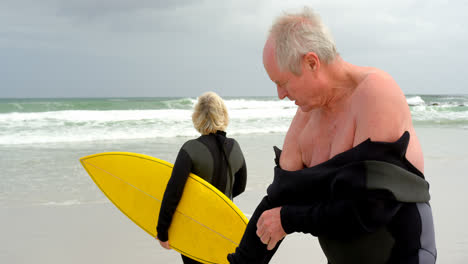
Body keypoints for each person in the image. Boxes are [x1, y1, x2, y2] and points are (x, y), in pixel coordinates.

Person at [227, 7, 436, 264]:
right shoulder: (304, 119)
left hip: (405, 254)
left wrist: (289, 219)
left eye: (282, 82)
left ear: (312, 62)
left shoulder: (375, 94)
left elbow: (371, 209)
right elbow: (276, 204)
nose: (280, 94)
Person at [156, 92, 248, 264]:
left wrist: (163, 231)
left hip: (195, 229)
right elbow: (241, 186)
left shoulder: (190, 149)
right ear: (223, 114)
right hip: (225, 228)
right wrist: (222, 198)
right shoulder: (235, 147)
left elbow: (173, 192)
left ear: (197, 116)